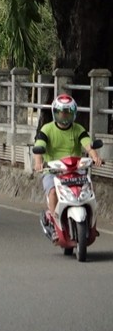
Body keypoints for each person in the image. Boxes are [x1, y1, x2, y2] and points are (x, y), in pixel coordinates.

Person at [33, 94, 102, 238]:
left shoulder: (78, 129)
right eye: (61, 112)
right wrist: (38, 162)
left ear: (73, 113)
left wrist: (95, 156)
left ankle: (91, 222)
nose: (64, 116)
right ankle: (53, 222)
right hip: (54, 171)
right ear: (55, 113)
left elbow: (87, 144)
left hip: (76, 170)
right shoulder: (47, 129)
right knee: (52, 191)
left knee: (89, 191)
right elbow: (39, 146)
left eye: (68, 113)